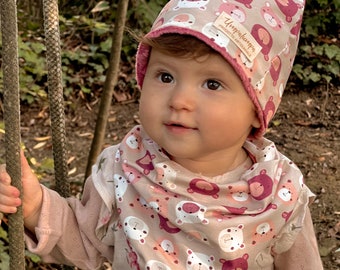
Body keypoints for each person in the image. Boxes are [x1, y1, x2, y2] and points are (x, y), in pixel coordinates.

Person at [0, 0, 323, 269]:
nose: (179, 100)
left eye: (212, 84)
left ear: (257, 108)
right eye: (165, 76)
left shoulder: (278, 194)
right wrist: (35, 206)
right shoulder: (123, 169)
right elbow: (85, 240)